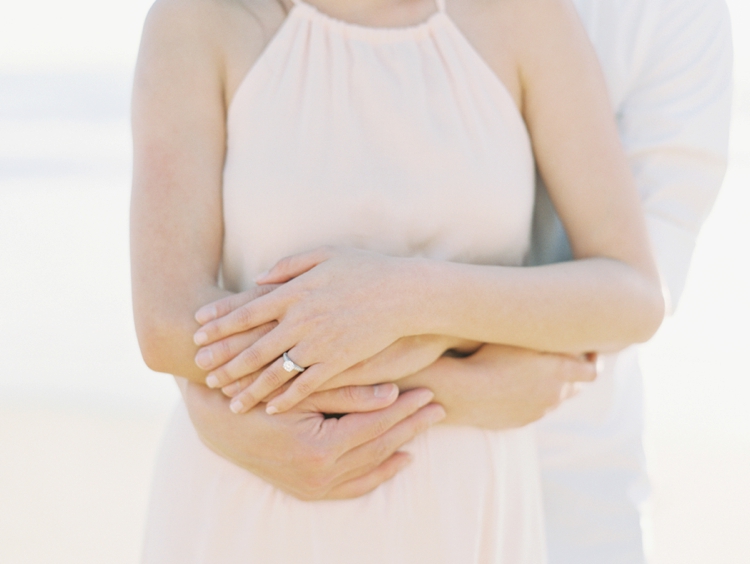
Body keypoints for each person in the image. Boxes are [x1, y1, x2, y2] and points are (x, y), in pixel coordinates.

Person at [129, 0, 728, 561]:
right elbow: (167, 325)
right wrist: (455, 384)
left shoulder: (526, 18)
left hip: (466, 506)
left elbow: (632, 294)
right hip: (260, 479)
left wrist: (407, 298)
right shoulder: (204, 19)